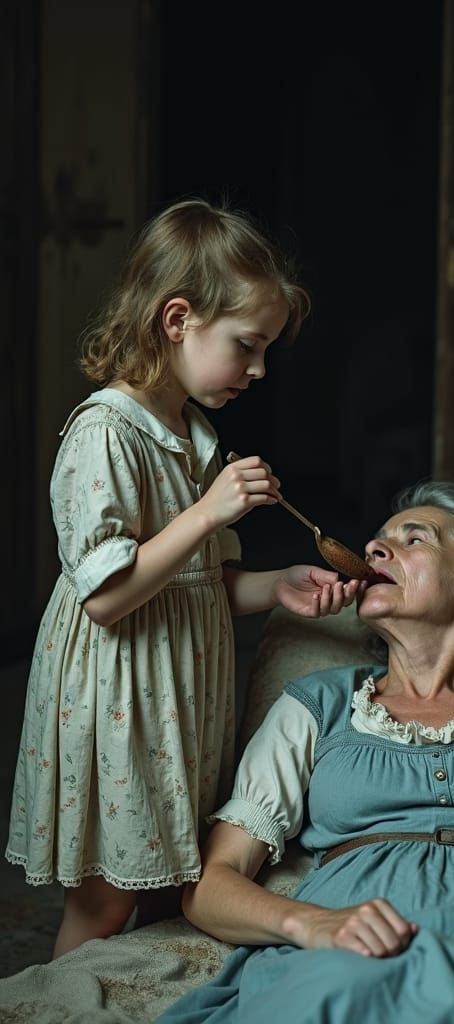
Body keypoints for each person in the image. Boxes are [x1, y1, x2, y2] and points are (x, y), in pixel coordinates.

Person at [4, 199, 361, 958]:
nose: (259, 369)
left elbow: (203, 584)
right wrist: (205, 513)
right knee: (105, 903)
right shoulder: (106, 434)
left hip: (176, 702)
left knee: (171, 889)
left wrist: (278, 586)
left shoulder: (192, 435)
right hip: (119, 696)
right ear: (178, 320)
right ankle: (63, 1008)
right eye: (247, 346)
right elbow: (105, 599)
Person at [157, 481, 454, 1024]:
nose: (376, 549)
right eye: (377, 541)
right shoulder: (317, 705)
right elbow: (212, 883)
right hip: (348, 952)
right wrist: (308, 925)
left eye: (414, 539)